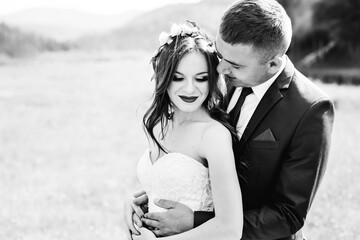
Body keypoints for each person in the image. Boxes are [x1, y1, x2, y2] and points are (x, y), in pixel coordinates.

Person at [125, 0, 335, 239]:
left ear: (273, 63)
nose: (221, 69)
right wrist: (150, 198)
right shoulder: (216, 78)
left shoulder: (310, 110)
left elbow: (288, 214)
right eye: (219, 54)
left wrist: (195, 220)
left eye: (234, 64)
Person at [125, 21, 245, 240]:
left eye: (201, 78)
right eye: (178, 77)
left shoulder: (213, 135)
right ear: (164, 77)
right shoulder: (161, 123)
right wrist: (133, 206)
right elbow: (160, 187)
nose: (190, 88)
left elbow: (230, 229)